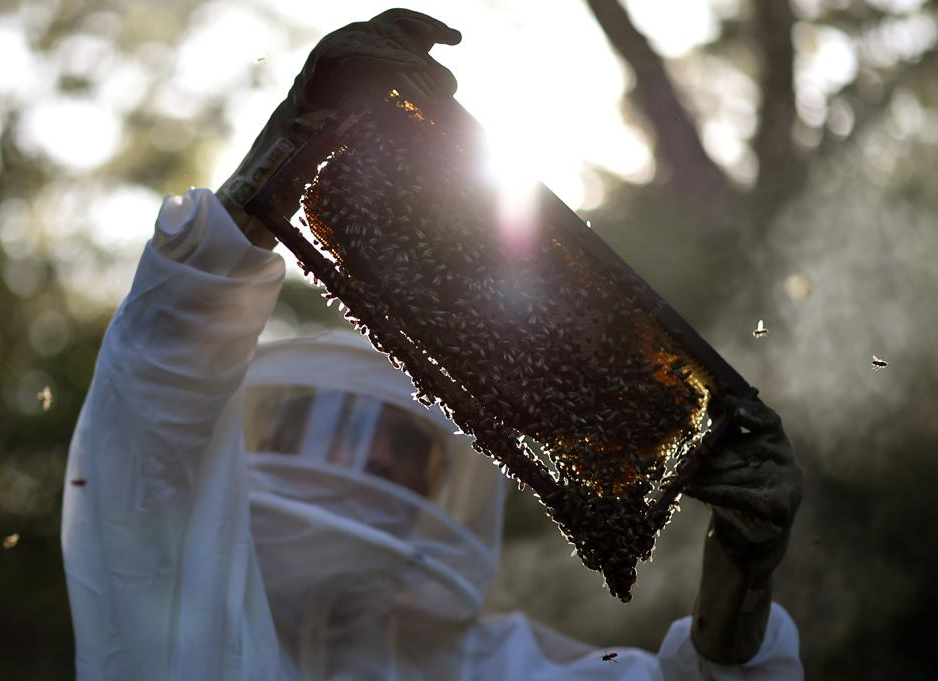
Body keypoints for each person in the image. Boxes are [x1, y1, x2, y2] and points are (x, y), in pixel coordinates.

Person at [61, 9, 804, 680]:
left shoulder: (498, 670)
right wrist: (286, 149)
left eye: (402, 445)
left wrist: (740, 578)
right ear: (271, 442)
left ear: (437, 485)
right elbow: (153, 400)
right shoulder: (175, 601)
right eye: (334, 429)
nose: (373, 460)